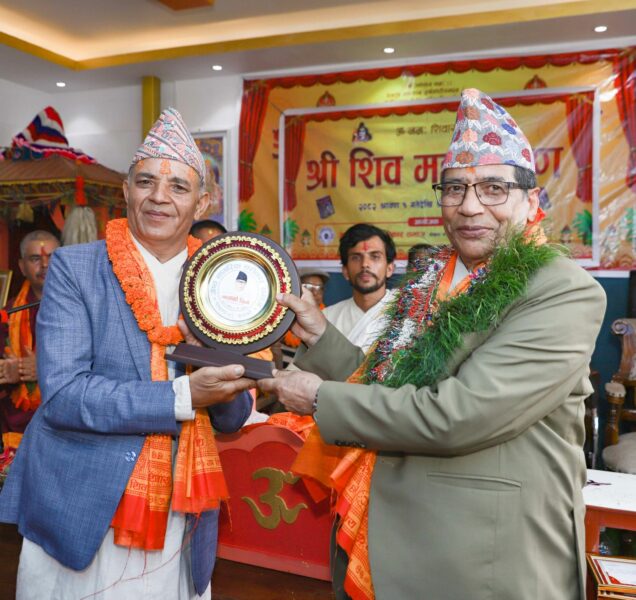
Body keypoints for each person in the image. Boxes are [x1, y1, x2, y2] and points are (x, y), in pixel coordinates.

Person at [259, 89, 606, 600]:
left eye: (493, 188)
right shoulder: (432, 276)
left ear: (531, 201)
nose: (470, 207)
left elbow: (460, 413)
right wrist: (319, 335)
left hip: (483, 555)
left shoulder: (561, 289)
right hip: (396, 532)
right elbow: (390, 384)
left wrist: (318, 399)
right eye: (455, 188)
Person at [0, 108, 255, 599]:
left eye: (178, 187)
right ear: (126, 190)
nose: (159, 197)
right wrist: (183, 395)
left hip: (180, 507)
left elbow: (233, 416)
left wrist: (215, 364)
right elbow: (65, 396)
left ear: (202, 201)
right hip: (81, 503)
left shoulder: (221, 283)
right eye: (145, 182)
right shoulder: (76, 269)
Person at [0, 231, 59, 451]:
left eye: (52, 257)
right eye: (35, 258)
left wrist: (44, 368)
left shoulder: (84, 308)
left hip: (65, 424)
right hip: (16, 427)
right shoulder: (7, 314)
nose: (45, 265)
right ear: (22, 267)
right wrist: (9, 373)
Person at [323, 223, 395, 353]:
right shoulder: (327, 318)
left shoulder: (408, 315)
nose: (365, 264)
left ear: (389, 269)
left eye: (375, 256)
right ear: (345, 271)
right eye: (356, 257)